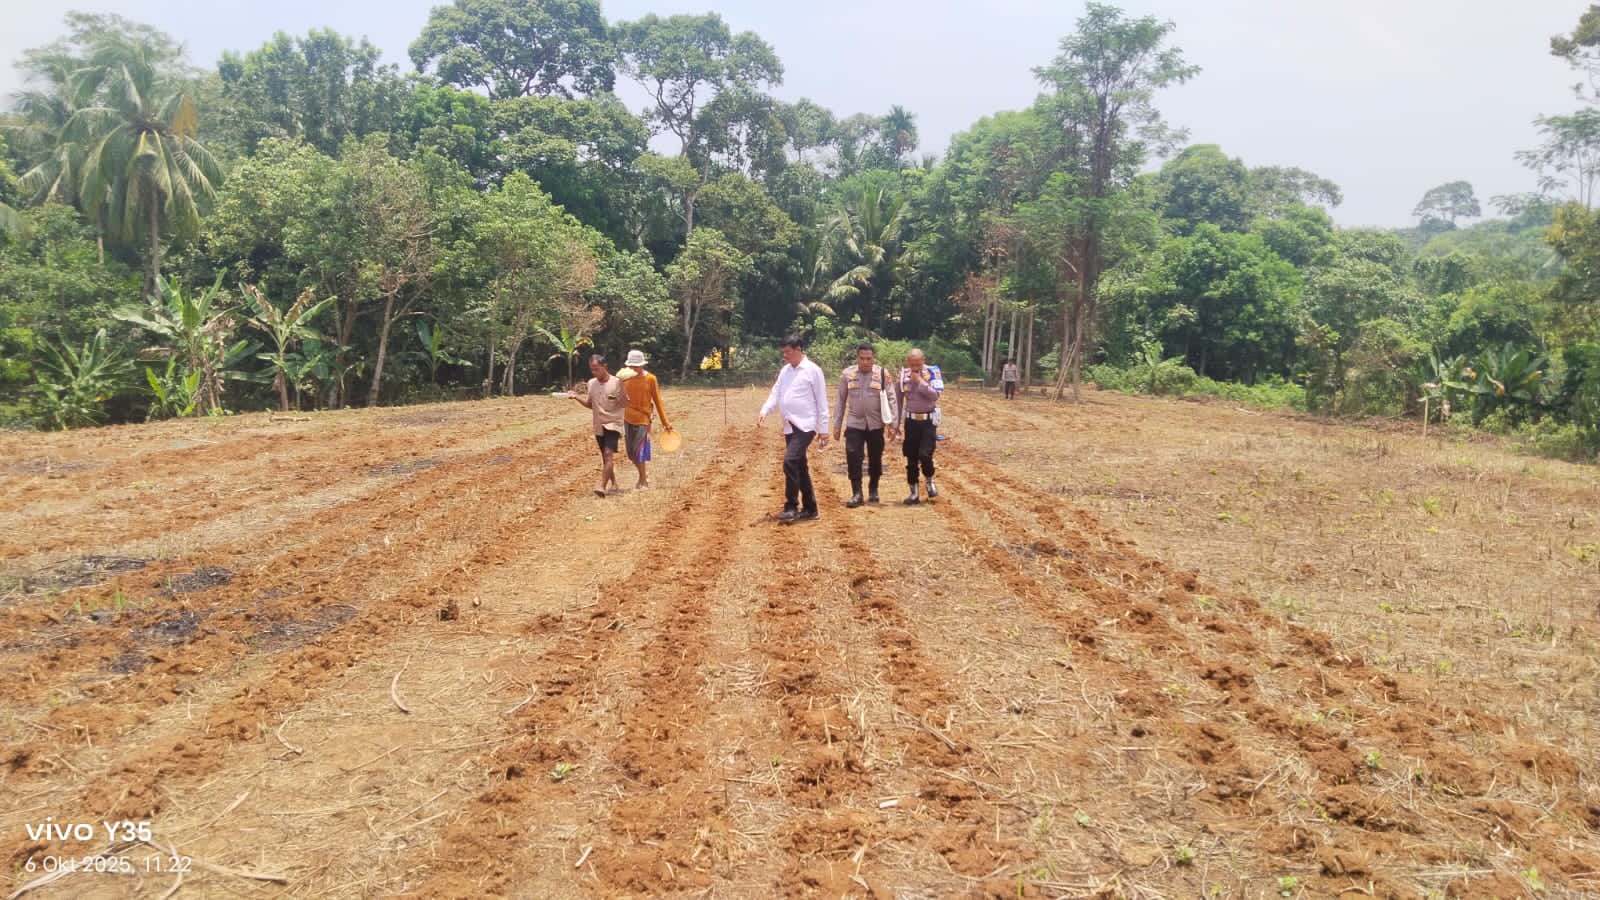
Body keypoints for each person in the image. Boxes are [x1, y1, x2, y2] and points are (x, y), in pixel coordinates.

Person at [757, 334, 830, 522]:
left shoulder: (813, 370)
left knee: (789, 461)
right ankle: (811, 508)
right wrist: (765, 410)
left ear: (799, 350)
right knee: (799, 466)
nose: (785, 356)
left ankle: (791, 507)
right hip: (789, 425)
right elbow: (776, 393)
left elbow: (822, 401)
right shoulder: (785, 371)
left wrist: (824, 429)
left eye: (788, 352)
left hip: (806, 425)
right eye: (783, 352)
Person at [830, 342, 899, 507]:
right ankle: (857, 493)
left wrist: (893, 424)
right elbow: (841, 400)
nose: (865, 362)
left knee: (875, 457)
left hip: (876, 424)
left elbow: (892, 398)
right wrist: (837, 424)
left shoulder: (882, 374)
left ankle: (873, 487)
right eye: (862, 358)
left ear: (873, 358)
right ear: (857, 357)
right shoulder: (847, 374)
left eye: (869, 358)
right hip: (855, 422)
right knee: (853, 455)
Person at [571, 353, 627, 497]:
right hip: (598, 424)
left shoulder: (617, 382)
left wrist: (623, 391)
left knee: (608, 454)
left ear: (605, 366)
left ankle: (602, 486)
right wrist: (576, 398)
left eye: (596, 369)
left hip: (613, 423)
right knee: (605, 457)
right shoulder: (591, 383)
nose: (594, 372)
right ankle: (614, 484)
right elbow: (590, 405)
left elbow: (624, 404)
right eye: (592, 369)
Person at [617, 348, 673, 490]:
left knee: (639, 451)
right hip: (627, 417)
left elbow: (658, 401)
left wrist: (665, 422)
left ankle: (643, 482)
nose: (634, 368)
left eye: (636, 366)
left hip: (643, 419)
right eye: (631, 366)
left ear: (642, 365)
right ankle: (643, 474)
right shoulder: (624, 378)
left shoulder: (650, 379)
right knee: (631, 453)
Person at [898, 347, 944, 505]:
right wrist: (895, 424)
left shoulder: (933, 372)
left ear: (923, 360)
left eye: (918, 363)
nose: (915, 366)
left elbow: (935, 396)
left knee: (925, 455)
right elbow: (898, 400)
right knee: (911, 459)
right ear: (908, 362)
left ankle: (929, 481)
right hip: (911, 422)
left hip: (928, 422)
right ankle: (914, 493)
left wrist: (920, 382)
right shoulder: (903, 374)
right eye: (912, 363)